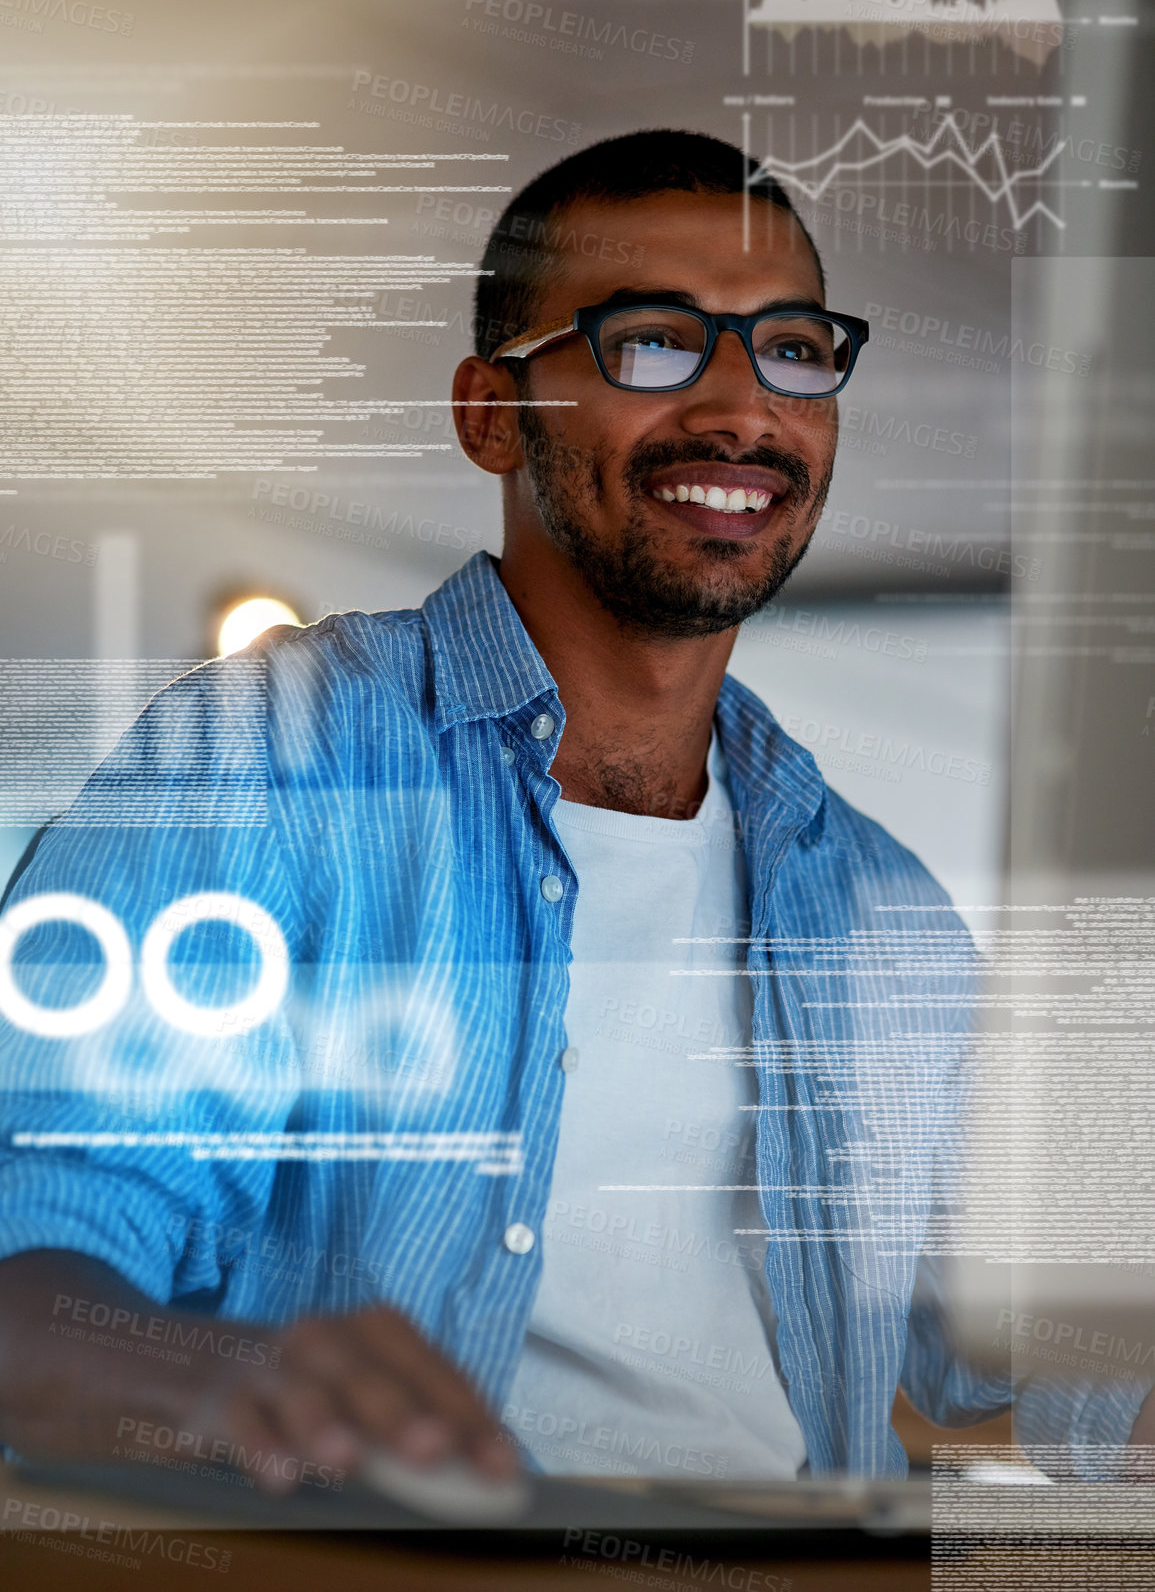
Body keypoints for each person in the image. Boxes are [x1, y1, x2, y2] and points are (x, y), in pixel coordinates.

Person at [0, 130, 1145, 1496]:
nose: (740, 407)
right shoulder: (273, 759)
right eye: (654, 341)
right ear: (492, 414)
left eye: (791, 347)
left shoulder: (873, 905)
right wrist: (224, 1382)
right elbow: (34, 1262)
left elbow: (1046, 1343)